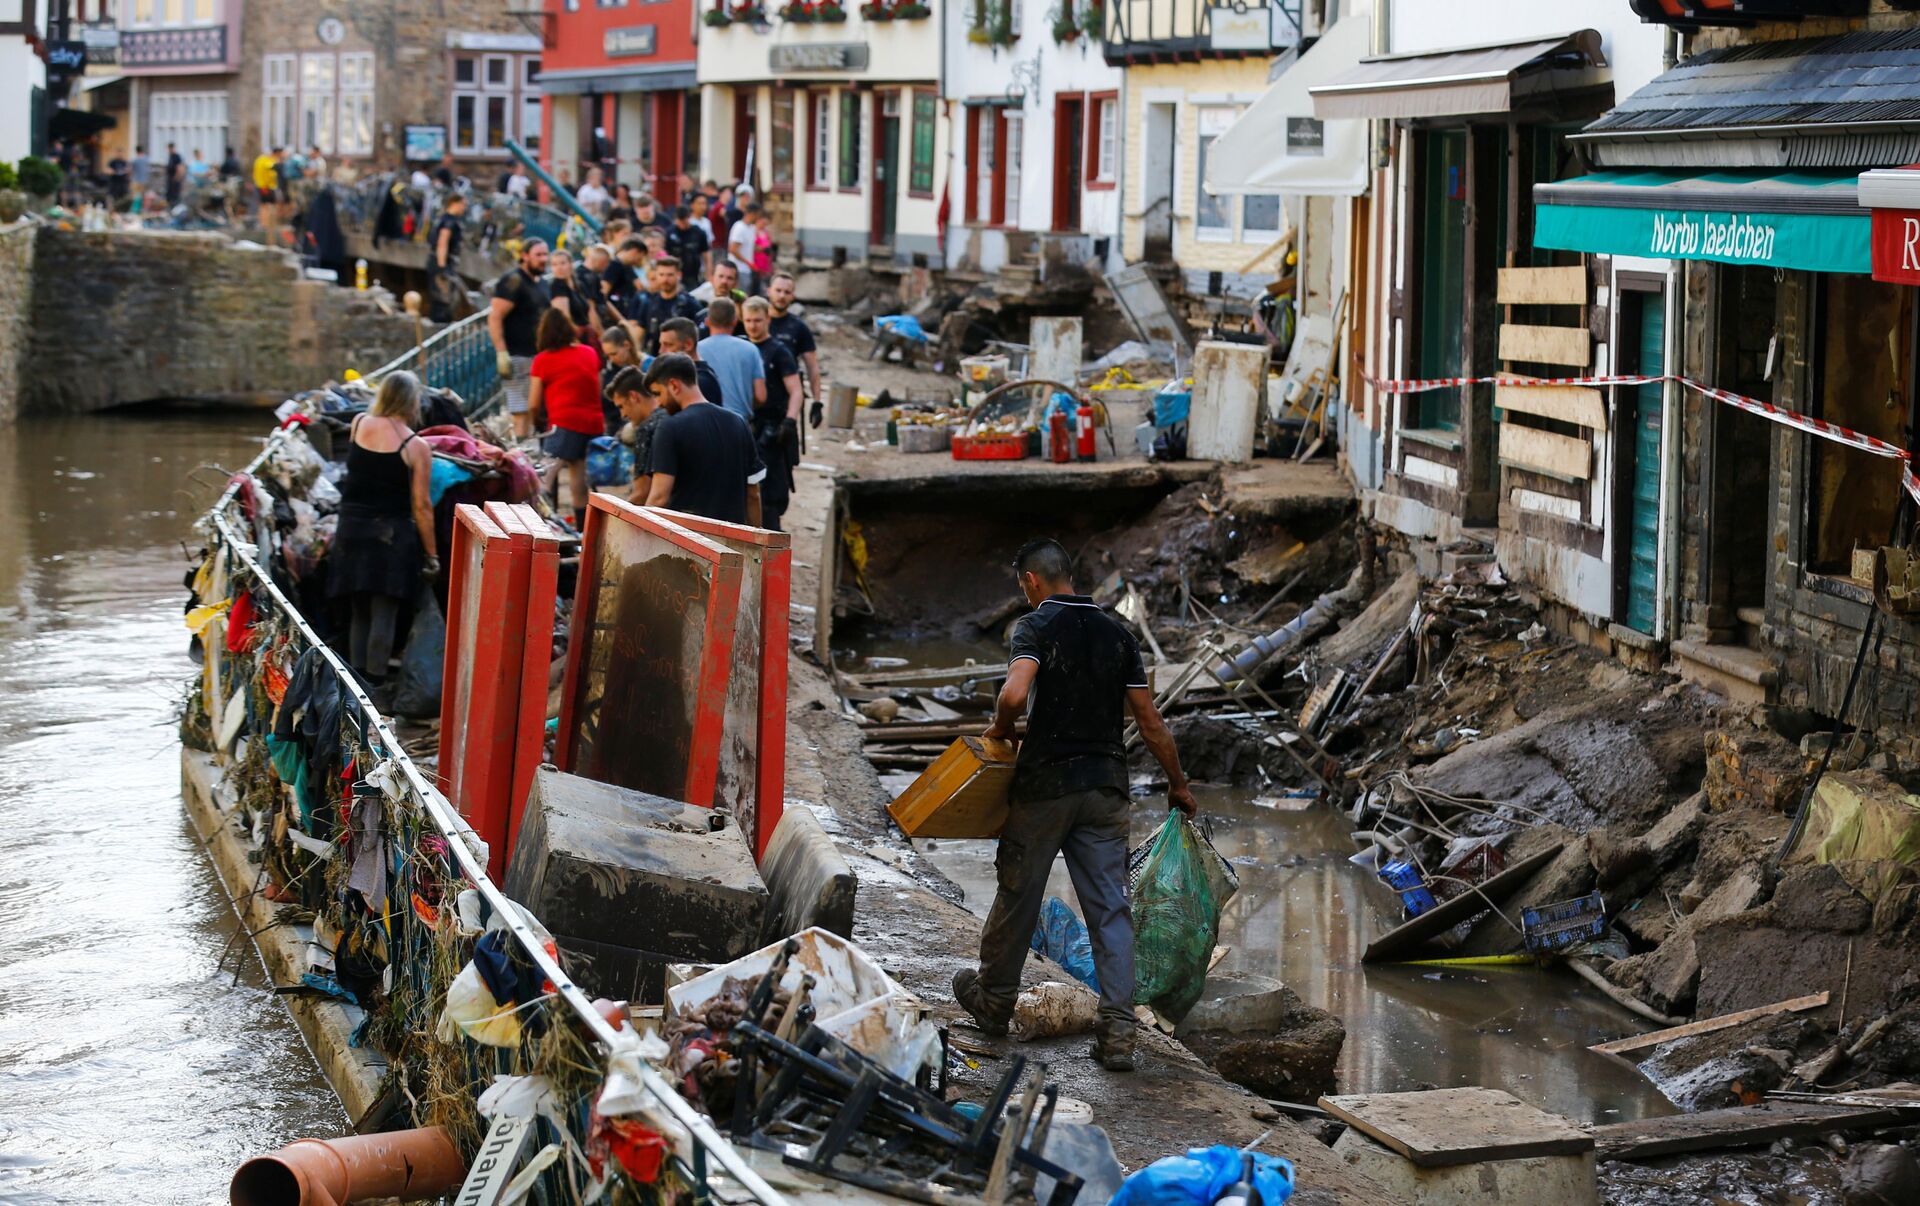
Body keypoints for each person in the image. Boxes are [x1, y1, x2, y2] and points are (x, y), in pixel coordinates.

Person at [953, 539, 1196, 1073]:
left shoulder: (1035, 626)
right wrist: (1178, 784)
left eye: (1023, 585)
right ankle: (1119, 1032)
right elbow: (1150, 722)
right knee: (1110, 909)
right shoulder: (1118, 635)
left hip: (1046, 786)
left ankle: (993, 1003)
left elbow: (1014, 695)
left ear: (1032, 581)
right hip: (1106, 788)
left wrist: (1001, 727)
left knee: (1019, 895)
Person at [329, 371, 438, 688]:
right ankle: (374, 685)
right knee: (384, 611)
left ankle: (354, 683)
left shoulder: (359, 423)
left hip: (351, 529)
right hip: (390, 535)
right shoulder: (415, 446)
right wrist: (432, 555)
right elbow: (422, 506)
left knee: (359, 609)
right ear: (412, 401)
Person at [642, 354, 765, 527]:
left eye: (658, 393)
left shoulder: (669, 428)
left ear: (674, 385)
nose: (659, 403)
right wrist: (756, 536)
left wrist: (639, 534)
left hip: (687, 538)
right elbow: (753, 494)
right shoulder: (738, 422)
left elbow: (659, 498)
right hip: (733, 538)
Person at [529, 309, 604, 530]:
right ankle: (582, 531)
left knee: (543, 478)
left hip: (563, 423)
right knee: (578, 480)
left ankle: (539, 525)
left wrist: (537, 421)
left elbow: (533, 403)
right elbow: (598, 386)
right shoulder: (589, 352)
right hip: (593, 423)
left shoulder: (543, 360)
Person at [742, 297, 801, 531]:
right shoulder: (742, 347)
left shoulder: (779, 351)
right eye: (748, 320)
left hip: (774, 429)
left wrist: (790, 421)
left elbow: (796, 390)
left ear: (767, 319)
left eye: (757, 320)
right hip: (747, 425)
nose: (753, 325)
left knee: (771, 494)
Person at [489, 240, 554, 440]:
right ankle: (520, 449)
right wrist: (501, 351)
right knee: (520, 411)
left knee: (535, 410)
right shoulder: (513, 280)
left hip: (538, 356)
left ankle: (528, 448)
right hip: (517, 354)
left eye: (545, 254)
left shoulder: (542, 283)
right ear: (525, 256)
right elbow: (495, 316)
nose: (543, 259)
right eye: (538, 255)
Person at [696, 297, 765, 422]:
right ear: (735, 321)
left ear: (707, 321)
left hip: (705, 422)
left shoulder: (696, 351)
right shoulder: (750, 349)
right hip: (740, 421)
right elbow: (761, 396)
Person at [607, 364, 667, 504]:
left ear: (633, 396)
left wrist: (618, 514)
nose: (623, 414)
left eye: (621, 406)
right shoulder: (673, 414)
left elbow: (642, 493)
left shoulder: (647, 429)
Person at [765, 272, 823, 413]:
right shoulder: (754, 321)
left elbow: (812, 367)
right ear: (769, 291)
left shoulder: (799, 327)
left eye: (787, 292)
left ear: (793, 296)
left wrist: (817, 401)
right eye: (778, 290)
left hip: (786, 398)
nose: (782, 296)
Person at [627, 255, 701, 355]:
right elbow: (639, 334)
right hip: (654, 358)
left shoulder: (690, 305)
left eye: (670, 275)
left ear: (679, 275)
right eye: (661, 275)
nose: (665, 279)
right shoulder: (648, 303)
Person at [658, 316, 726, 408]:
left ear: (688, 345)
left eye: (668, 345)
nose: (661, 351)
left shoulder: (700, 382)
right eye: (661, 344)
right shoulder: (690, 376)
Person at [600, 324, 647, 435]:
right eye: (608, 356)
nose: (611, 359)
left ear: (626, 345)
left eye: (614, 354)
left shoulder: (647, 365)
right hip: (618, 425)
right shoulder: (609, 371)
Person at [427, 192, 467, 322]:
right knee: (443, 296)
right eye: (463, 204)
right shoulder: (449, 221)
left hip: (438, 260)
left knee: (442, 295)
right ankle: (440, 322)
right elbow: (442, 242)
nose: (464, 208)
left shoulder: (442, 218)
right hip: (442, 262)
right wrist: (442, 266)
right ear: (454, 203)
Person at [547, 247, 601, 338]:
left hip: (588, 333)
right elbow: (565, 318)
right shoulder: (557, 287)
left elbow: (591, 311)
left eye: (562, 263)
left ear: (570, 264)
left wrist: (598, 332)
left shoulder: (578, 284)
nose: (559, 268)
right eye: (554, 265)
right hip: (573, 336)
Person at [666, 205, 711, 281]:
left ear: (689, 218)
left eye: (684, 222)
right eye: (679, 222)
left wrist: (708, 274)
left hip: (693, 272)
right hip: (674, 272)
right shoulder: (670, 233)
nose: (682, 225)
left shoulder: (698, 232)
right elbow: (665, 253)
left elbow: (706, 254)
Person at [728, 201, 762, 291]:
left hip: (747, 269)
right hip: (738, 269)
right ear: (752, 214)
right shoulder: (739, 227)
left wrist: (761, 249)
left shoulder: (752, 228)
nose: (759, 218)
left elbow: (749, 246)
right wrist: (748, 263)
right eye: (758, 215)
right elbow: (733, 249)